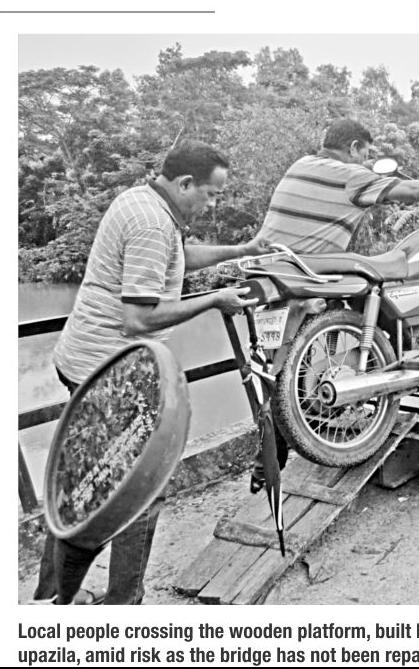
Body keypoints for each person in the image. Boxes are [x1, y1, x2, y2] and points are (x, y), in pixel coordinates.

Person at [33, 139, 271, 605]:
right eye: (212, 194)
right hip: (107, 372)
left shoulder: (143, 201)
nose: (213, 204)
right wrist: (214, 300)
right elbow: (139, 319)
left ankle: (50, 597)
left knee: (79, 483)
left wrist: (243, 249)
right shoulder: (150, 224)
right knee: (142, 487)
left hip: (85, 360)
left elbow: (178, 258)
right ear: (185, 183)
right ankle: (124, 603)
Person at [257, 118, 419, 254]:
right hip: (306, 268)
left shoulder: (300, 164)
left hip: (269, 262)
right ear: (353, 147)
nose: (365, 162)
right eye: (365, 154)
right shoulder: (351, 175)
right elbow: (415, 191)